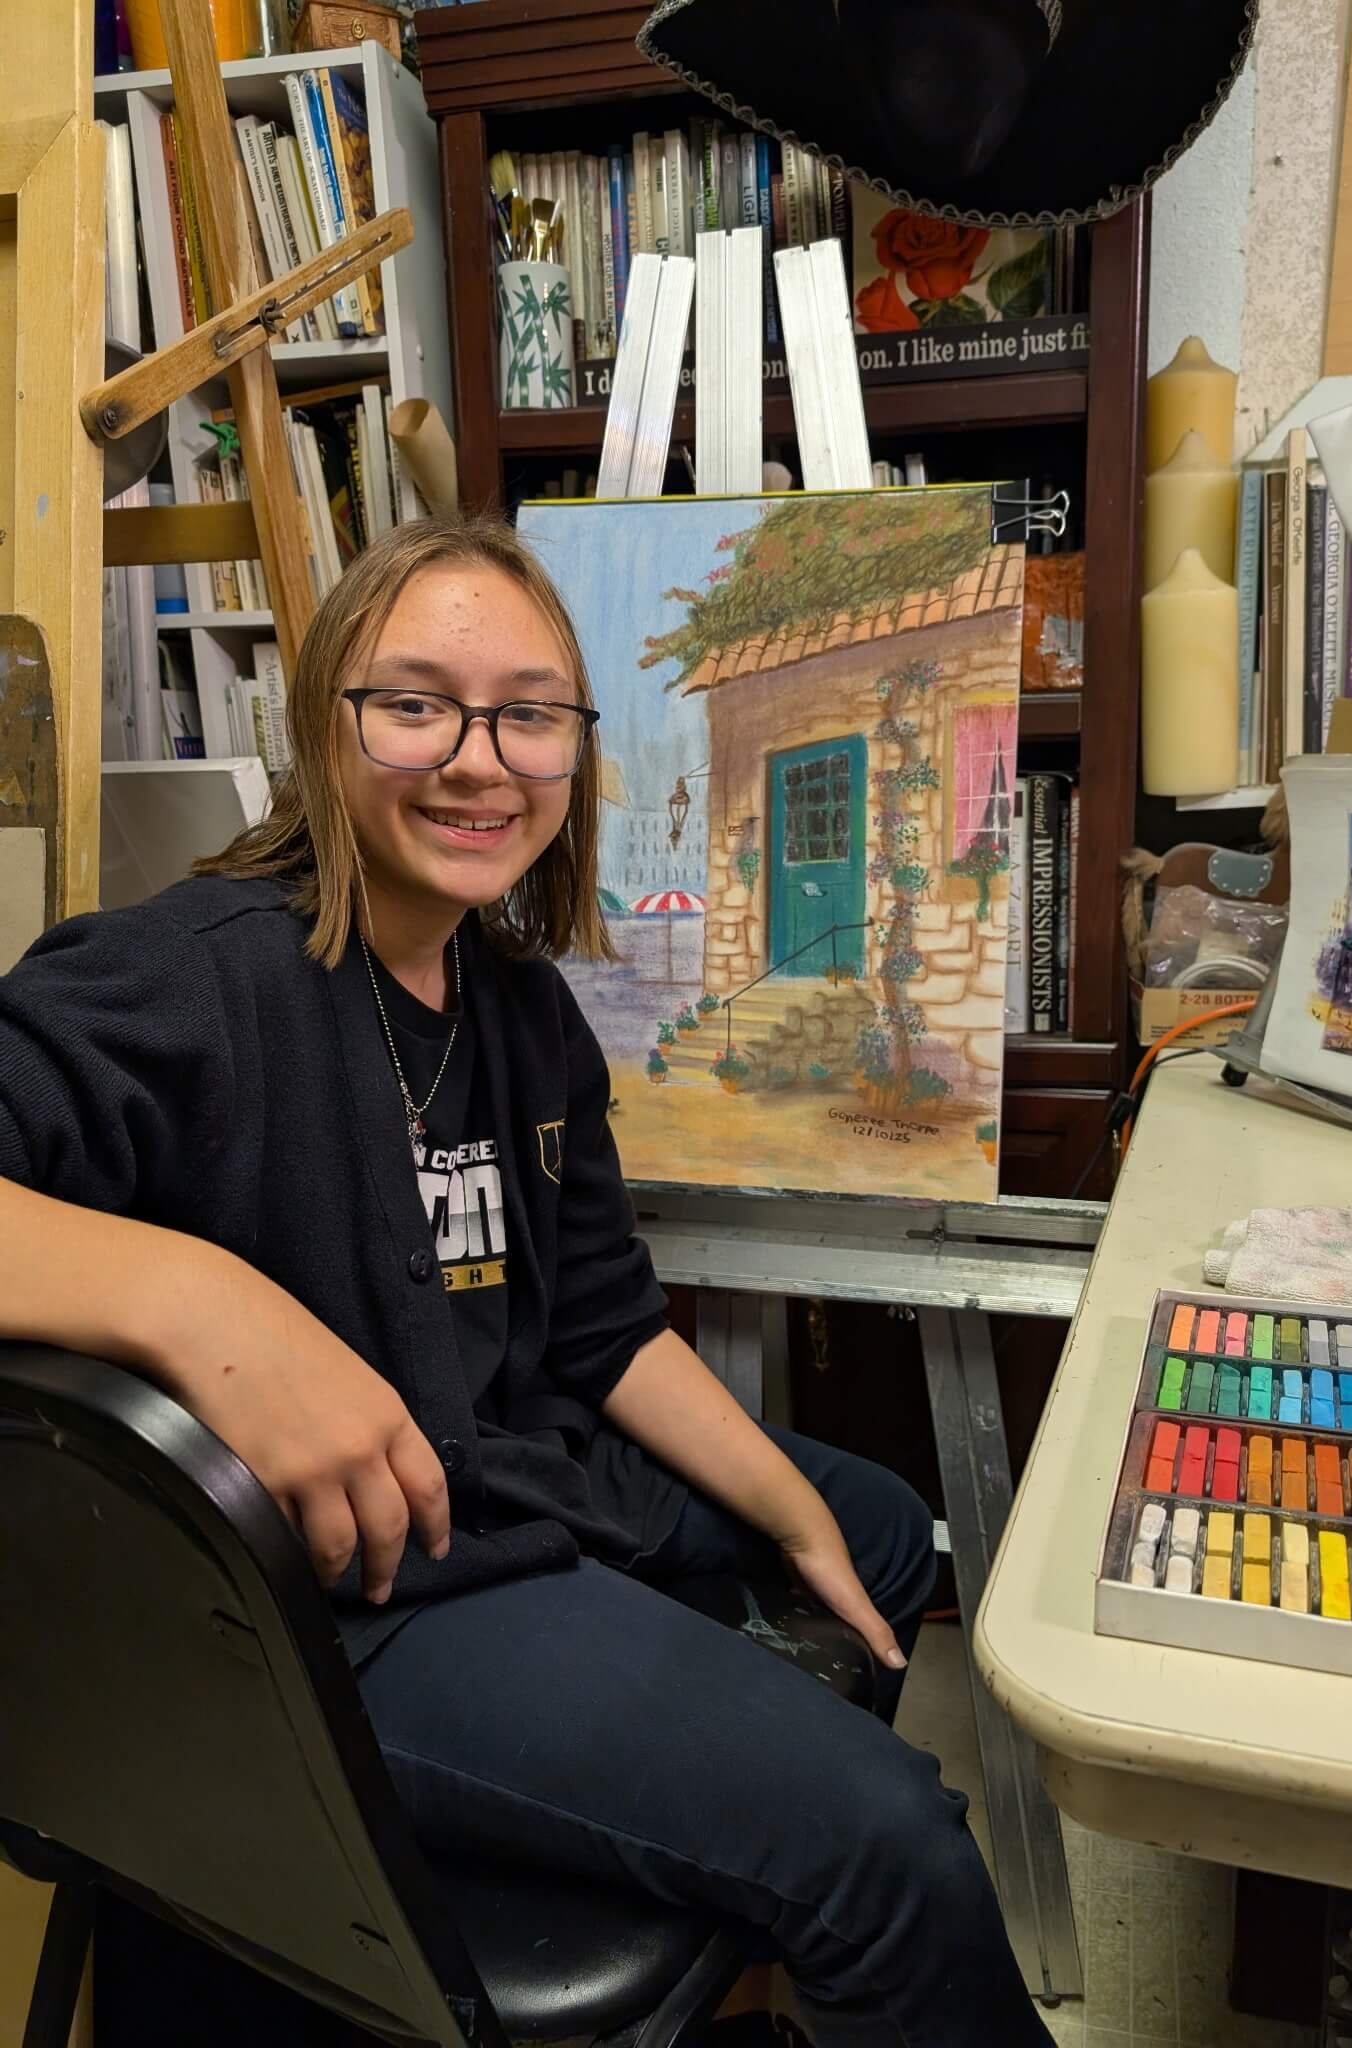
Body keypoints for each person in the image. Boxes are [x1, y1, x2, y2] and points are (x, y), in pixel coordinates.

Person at [0, 515, 1050, 2046]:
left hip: (503, 1477)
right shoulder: (198, 970)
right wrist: (203, 1305)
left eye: (529, 714)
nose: (478, 759)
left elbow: (610, 1327)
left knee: (875, 1534)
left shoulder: (521, 1007)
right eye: (416, 702)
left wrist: (795, 1509)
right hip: (337, 1603)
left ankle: (724, 1918)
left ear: (574, 750)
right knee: (894, 1848)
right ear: (325, 725)